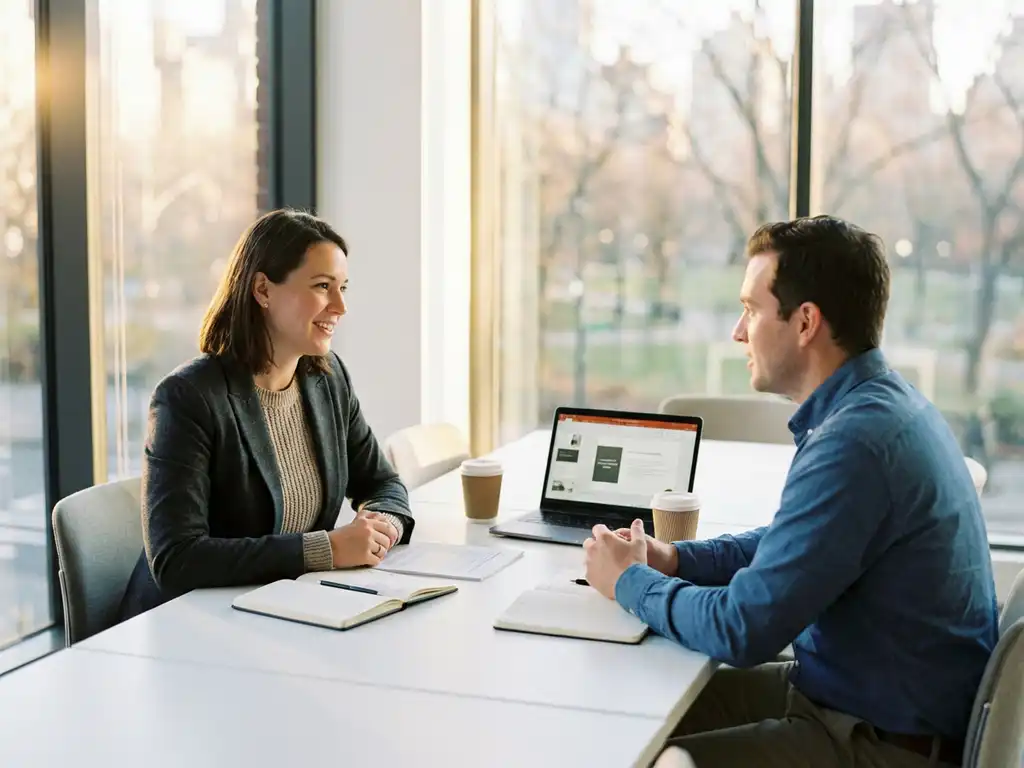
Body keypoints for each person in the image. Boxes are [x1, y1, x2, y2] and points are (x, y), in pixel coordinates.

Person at [584, 216, 997, 767]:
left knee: (653, 752)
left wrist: (628, 582)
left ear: (805, 322)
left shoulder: (857, 442)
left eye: (751, 310)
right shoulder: (877, 407)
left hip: (880, 743)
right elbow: (790, 544)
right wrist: (675, 559)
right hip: (852, 700)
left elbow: (741, 629)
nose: (738, 332)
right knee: (635, 707)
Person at [119, 209, 414, 620]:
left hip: (284, 611)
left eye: (343, 287)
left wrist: (381, 529)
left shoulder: (328, 380)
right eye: (322, 286)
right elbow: (177, 558)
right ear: (262, 290)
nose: (340, 306)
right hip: (191, 623)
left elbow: (383, 483)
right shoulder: (187, 398)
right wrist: (326, 549)